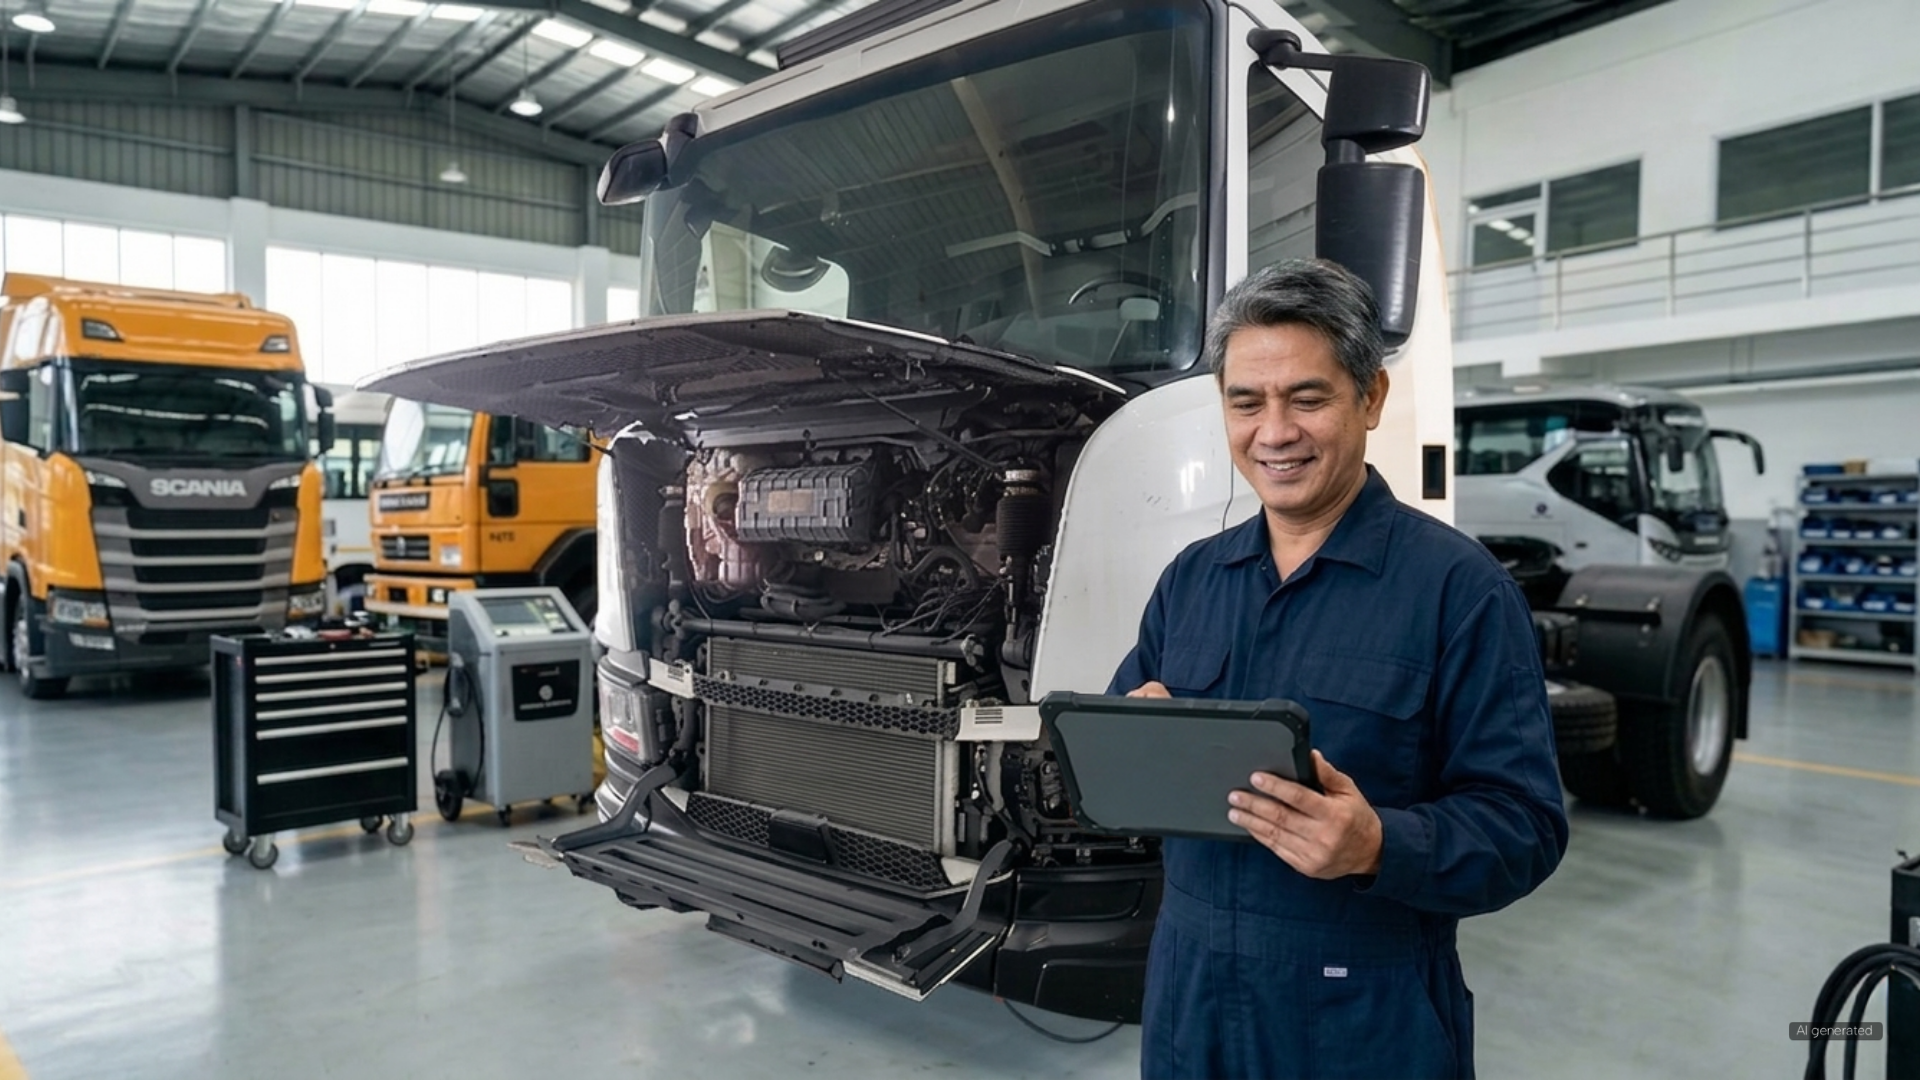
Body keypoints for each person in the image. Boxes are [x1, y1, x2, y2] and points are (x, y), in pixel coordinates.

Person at [1109, 258, 1569, 1080]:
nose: (1273, 432)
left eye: (1308, 398)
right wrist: (1131, 733)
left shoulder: (1458, 591)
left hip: (1362, 1015)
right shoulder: (1190, 578)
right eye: (1245, 402)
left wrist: (1378, 843)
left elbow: (1525, 827)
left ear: (1371, 399)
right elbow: (1118, 739)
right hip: (1191, 998)